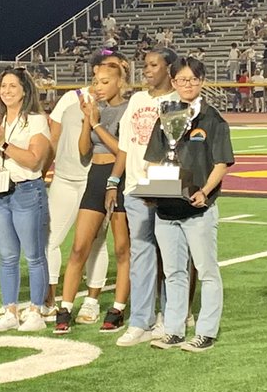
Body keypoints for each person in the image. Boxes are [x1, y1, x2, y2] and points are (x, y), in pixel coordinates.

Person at [143, 56, 233, 352]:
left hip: (199, 208)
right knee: (173, 272)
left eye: (193, 80)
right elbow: (153, 160)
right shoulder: (165, 116)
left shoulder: (213, 119)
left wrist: (205, 191)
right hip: (167, 208)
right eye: (182, 80)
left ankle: (206, 330)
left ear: (202, 81)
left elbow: (221, 163)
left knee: (206, 270)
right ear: (173, 82)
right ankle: (173, 329)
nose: (187, 85)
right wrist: (155, 185)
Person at [52, 58, 131, 335]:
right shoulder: (94, 109)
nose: (98, 87)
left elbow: (124, 149)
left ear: (120, 82)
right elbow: (84, 150)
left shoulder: (128, 109)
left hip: (120, 178)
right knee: (78, 248)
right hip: (95, 177)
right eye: (96, 82)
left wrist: (97, 124)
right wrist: (88, 120)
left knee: (122, 249)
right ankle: (65, 308)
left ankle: (118, 308)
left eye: (106, 82)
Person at [41, 51, 117, 322]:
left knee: (96, 243)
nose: (102, 83)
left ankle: (92, 301)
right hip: (64, 178)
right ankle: (48, 298)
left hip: (93, 178)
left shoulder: (118, 107)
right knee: (50, 239)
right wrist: (43, 171)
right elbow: (54, 137)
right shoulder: (70, 99)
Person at [0, 68, 51, 333]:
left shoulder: (36, 121)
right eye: (3, 86)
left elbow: (34, 160)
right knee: (7, 257)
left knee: (33, 255)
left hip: (27, 190)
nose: (6, 91)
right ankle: (9, 310)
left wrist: (4, 144)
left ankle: (36, 310)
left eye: (12, 86)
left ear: (24, 91)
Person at [112, 48, 176, 347]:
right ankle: (141, 320)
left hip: (164, 182)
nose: (147, 70)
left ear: (168, 68)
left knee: (169, 255)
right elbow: (126, 144)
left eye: (153, 65)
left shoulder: (176, 101)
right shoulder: (136, 100)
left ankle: (169, 317)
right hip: (136, 185)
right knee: (141, 253)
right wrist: (116, 179)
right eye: (145, 65)